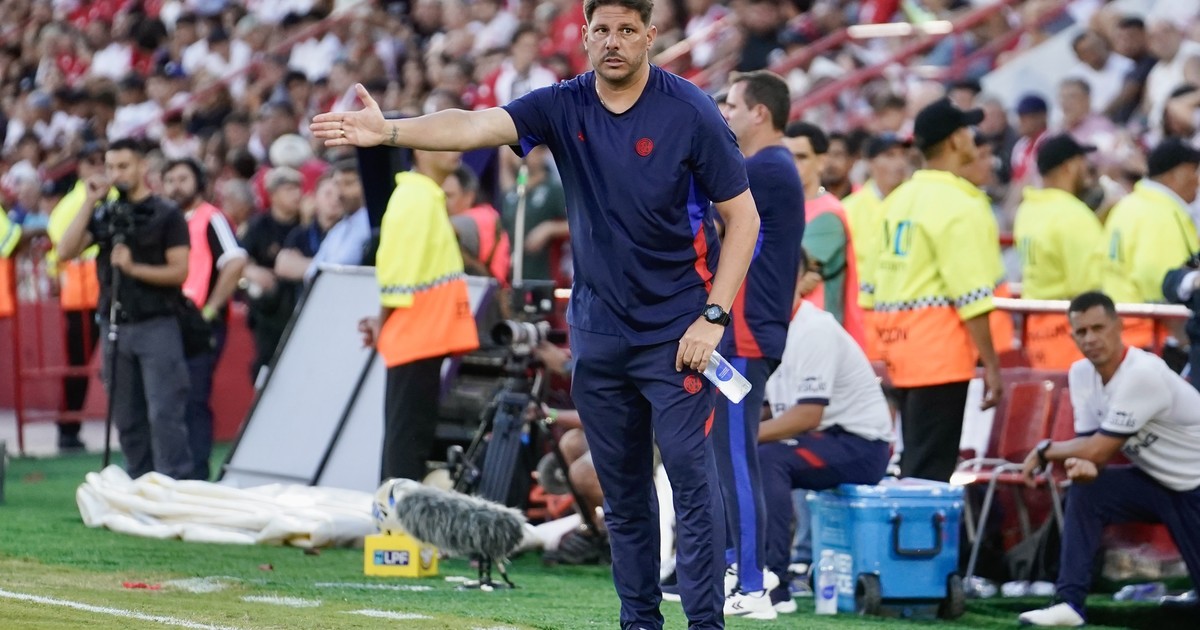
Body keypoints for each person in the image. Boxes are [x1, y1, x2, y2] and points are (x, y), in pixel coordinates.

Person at [311, 3, 762, 628]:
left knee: (690, 482)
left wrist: (712, 317)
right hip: (598, 331)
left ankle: (706, 624)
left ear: (650, 37)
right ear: (585, 36)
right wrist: (390, 132)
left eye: (627, 30)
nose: (613, 42)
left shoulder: (689, 110)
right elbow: (474, 125)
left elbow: (744, 218)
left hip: (678, 331)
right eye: (601, 30)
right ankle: (639, 622)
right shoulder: (563, 103)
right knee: (623, 493)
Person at [1017, 292, 1200, 627]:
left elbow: (1098, 450)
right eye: (1081, 332)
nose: (1090, 339)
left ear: (1119, 327)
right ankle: (1069, 603)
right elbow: (1090, 449)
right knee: (1089, 490)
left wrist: (1046, 451)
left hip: (1195, 486)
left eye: (1098, 328)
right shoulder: (1081, 373)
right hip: (1162, 483)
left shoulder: (1143, 373)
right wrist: (1082, 467)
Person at [710, 69, 803, 621]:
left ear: (759, 113)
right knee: (726, 458)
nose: (725, 113)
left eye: (732, 105)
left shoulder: (765, 168)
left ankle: (752, 584)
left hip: (745, 331)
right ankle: (734, 569)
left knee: (738, 459)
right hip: (743, 330)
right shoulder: (771, 167)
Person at [873, 98, 1003, 483]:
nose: (972, 138)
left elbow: (873, 286)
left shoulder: (896, 200)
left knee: (914, 461)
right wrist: (992, 364)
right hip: (938, 355)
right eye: (967, 131)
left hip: (898, 350)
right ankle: (917, 527)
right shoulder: (961, 204)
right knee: (930, 474)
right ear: (954, 141)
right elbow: (971, 297)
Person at [56, 138, 193, 480]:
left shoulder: (167, 214)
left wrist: (134, 269)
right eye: (111, 167)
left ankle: (173, 483)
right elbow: (65, 250)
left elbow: (179, 272)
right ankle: (138, 481)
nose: (116, 173)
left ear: (142, 167)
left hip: (157, 322)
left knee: (164, 413)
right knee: (127, 416)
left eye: (123, 166)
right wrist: (89, 202)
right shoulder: (105, 213)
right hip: (114, 323)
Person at [758, 283, 894, 616]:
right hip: (821, 437)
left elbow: (807, 415)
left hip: (862, 445)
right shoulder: (766, 328)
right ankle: (727, 567)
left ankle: (774, 584)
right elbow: (768, 408)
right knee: (733, 453)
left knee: (765, 458)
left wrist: (742, 437)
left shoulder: (814, 329)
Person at [356, 142, 480, 482]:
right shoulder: (416, 198)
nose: (456, 148)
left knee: (409, 436)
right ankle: (396, 513)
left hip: (422, 333)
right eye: (442, 141)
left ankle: (395, 510)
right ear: (419, 152)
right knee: (407, 441)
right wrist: (382, 322)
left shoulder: (422, 196)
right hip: (416, 333)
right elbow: (396, 273)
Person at [163, 157, 247, 480]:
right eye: (170, 180)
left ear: (199, 183)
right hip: (170, 320)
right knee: (170, 399)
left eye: (182, 179)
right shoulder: (168, 220)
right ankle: (175, 470)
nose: (176, 187)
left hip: (198, 322)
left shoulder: (211, 218)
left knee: (194, 398)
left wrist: (210, 310)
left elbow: (235, 261)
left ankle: (196, 474)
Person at [1012, 135, 1104, 370]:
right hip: (1071, 339)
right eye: (1082, 161)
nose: (1087, 169)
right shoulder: (1074, 215)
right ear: (1069, 166)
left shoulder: (1027, 210)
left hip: (1036, 334)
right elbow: (1090, 288)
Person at [1102, 138, 1200, 352]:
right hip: (1151, 340)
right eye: (1194, 171)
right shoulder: (1161, 214)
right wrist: (1186, 344)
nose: (1198, 180)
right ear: (1176, 174)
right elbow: (1160, 285)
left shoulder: (1128, 204)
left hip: (1123, 333)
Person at [45, 143, 105, 453]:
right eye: (91, 161)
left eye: (102, 160)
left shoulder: (115, 195)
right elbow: (59, 245)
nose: (98, 166)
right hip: (82, 297)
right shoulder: (71, 204)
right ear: (80, 167)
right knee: (79, 364)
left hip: (110, 291)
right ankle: (68, 428)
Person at [783, 121, 865, 348]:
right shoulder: (782, 207)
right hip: (791, 332)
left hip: (819, 337)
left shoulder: (828, 214)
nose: (791, 164)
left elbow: (791, 277)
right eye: (786, 156)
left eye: (801, 157)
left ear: (821, 162)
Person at [844, 133, 911, 362]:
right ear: (870, 163)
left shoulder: (916, 205)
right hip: (862, 316)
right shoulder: (849, 209)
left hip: (906, 317)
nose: (899, 163)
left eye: (903, 155)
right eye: (890, 155)